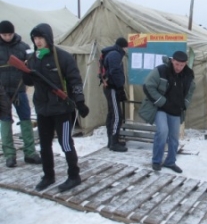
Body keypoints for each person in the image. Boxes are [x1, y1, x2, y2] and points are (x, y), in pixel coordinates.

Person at [22, 23, 89, 192]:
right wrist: (24, 72)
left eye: (40, 38)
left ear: (48, 38)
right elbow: (30, 82)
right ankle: (48, 175)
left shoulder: (63, 57)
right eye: (35, 38)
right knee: (44, 145)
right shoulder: (33, 59)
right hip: (42, 109)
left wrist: (80, 101)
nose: (37, 41)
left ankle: (74, 176)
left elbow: (75, 80)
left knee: (65, 143)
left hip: (62, 109)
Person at [139, 51, 195, 173]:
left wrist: (184, 104)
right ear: (172, 61)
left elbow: (190, 91)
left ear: (185, 63)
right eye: (177, 64)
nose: (179, 67)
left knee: (174, 137)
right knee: (162, 132)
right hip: (161, 108)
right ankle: (156, 161)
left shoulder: (188, 74)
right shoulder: (160, 70)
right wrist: (162, 101)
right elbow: (148, 86)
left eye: (182, 65)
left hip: (176, 110)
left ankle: (170, 162)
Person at [0, 20, 42, 168]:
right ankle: (9, 155)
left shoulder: (23, 47)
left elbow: (33, 62)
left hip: (20, 89)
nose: (7, 37)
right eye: (4, 34)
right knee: (5, 122)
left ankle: (30, 153)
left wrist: (28, 63)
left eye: (9, 34)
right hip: (2, 91)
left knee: (25, 120)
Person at [101, 37, 129, 152]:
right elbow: (115, 71)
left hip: (110, 87)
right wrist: (119, 86)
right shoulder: (115, 54)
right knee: (117, 115)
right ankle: (113, 142)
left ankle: (112, 141)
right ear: (123, 46)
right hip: (112, 87)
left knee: (112, 114)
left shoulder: (112, 53)